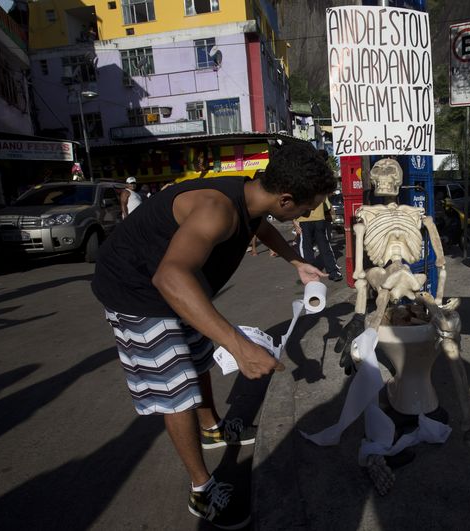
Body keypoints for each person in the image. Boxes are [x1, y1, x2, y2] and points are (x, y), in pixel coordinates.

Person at [90, 142, 336, 529]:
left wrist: (297, 262)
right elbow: (170, 277)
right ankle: (201, 490)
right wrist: (240, 347)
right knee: (177, 390)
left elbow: (261, 226)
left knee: (197, 354)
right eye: (307, 207)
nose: (307, 214)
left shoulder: (252, 194)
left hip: (181, 281)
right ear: (286, 198)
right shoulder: (216, 209)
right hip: (136, 289)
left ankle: (211, 429)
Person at [294, 194, 342, 282]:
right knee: (325, 246)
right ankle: (334, 272)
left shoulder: (298, 184)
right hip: (319, 219)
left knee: (305, 248)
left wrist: (294, 220)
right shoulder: (319, 186)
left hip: (303, 219)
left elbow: (292, 203)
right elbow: (327, 206)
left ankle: (310, 273)